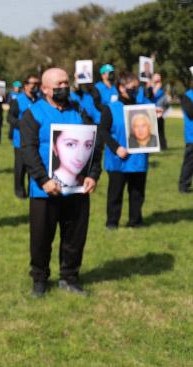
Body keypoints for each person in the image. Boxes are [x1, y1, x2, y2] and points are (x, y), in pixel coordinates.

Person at [20, 68, 102, 297]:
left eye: (66, 83)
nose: (64, 87)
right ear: (45, 89)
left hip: (77, 189)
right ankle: (40, 279)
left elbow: (95, 144)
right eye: (59, 84)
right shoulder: (33, 114)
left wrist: (93, 174)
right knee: (41, 239)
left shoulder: (80, 111)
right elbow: (28, 151)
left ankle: (70, 277)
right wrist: (43, 180)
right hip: (45, 191)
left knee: (74, 238)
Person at [98, 72, 154, 229]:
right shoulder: (110, 108)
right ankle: (112, 222)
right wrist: (116, 148)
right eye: (132, 87)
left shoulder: (142, 108)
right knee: (115, 193)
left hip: (138, 159)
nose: (135, 90)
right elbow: (102, 131)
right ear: (121, 87)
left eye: (136, 87)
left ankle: (135, 221)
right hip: (118, 159)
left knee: (137, 193)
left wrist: (156, 117)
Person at [8, 74, 40, 199]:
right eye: (32, 84)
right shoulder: (18, 100)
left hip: (36, 139)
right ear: (26, 85)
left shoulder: (39, 100)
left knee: (34, 165)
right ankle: (20, 192)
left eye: (37, 84)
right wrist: (22, 125)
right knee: (20, 167)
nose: (35, 86)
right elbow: (10, 117)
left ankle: (33, 190)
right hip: (20, 140)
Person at [179, 82, 193, 193]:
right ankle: (184, 186)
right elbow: (190, 113)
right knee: (189, 163)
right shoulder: (187, 96)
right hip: (192, 137)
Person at [149, 73, 169, 150]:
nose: (158, 80)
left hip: (159, 112)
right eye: (156, 78)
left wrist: (156, 88)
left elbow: (158, 97)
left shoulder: (161, 90)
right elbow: (150, 96)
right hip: (151, 111)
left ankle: (162, 146)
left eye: (159, 79)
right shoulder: (150, 88)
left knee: (160, 130)